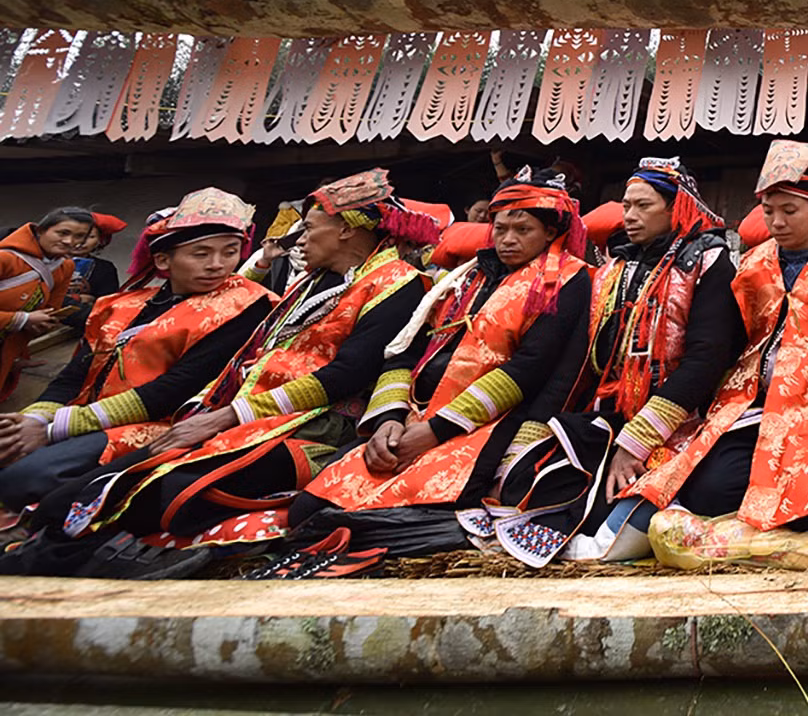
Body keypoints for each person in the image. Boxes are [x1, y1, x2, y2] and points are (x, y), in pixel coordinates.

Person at [37, 170, 436, 548]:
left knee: (161, 496)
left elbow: (349, 373)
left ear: (347, 229)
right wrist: (207, 410)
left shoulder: (397, 283)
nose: (299, 239)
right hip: (233, 413)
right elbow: (252, 357)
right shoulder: (311, 282)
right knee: (73, 496)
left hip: (309, 425)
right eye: (201, 253)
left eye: (310, 228)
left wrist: (228, 416)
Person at [289, 168, 591, 553]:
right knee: (306, 510)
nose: (508, 240)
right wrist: (387, 420)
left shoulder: (567, 280)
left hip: (483, 424)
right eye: (500, 229)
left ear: (551, 232)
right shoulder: (463, 279)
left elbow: (529, 368)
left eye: (523, 230)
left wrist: (437, 431)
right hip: (414, 417)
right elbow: (405, 350)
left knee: (377, 514)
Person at [487, 158, 738, 566]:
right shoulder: (611, 270)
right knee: (531, 489)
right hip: (607, 419)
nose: (630, 216)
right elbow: (579, 364)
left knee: (613, 533)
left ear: (677, 208)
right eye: (626, 206)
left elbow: (705, 362)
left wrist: (636, 441)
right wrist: (530, 438)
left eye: (644, 206)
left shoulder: (709, 264)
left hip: (681, 421)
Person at [631, 142, 808, 540]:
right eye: (769, 211)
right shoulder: (751, 265)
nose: (777, 222)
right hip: (755, 401)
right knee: (710, 493)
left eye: (789, 210)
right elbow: (735, 342)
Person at [0, 190, 273, 512]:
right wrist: (32, 418)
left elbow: (173, 390)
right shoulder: (122, 305)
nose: (218, 265)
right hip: (79, 414)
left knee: (24, 478)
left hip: (162, 423)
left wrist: (52, 429)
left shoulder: (245, 305)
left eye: (230, 252)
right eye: (201, 254)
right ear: (162, 260)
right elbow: (75, 373)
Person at [0, 207, 93, 399]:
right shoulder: (5, 259)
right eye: (62, 233)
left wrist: (42, 324)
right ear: (41, 230)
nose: (70, 241)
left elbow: (51, 309)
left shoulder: (65, 267)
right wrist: (21, 319)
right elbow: (25, 318)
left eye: (80, 236)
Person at [64, 213, 125, 318]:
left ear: (100, 241)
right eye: (77, 236)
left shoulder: (105, 268)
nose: (81, 242)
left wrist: (91, 300)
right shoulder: (46, 263)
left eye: (90, 237)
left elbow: (108, 301)